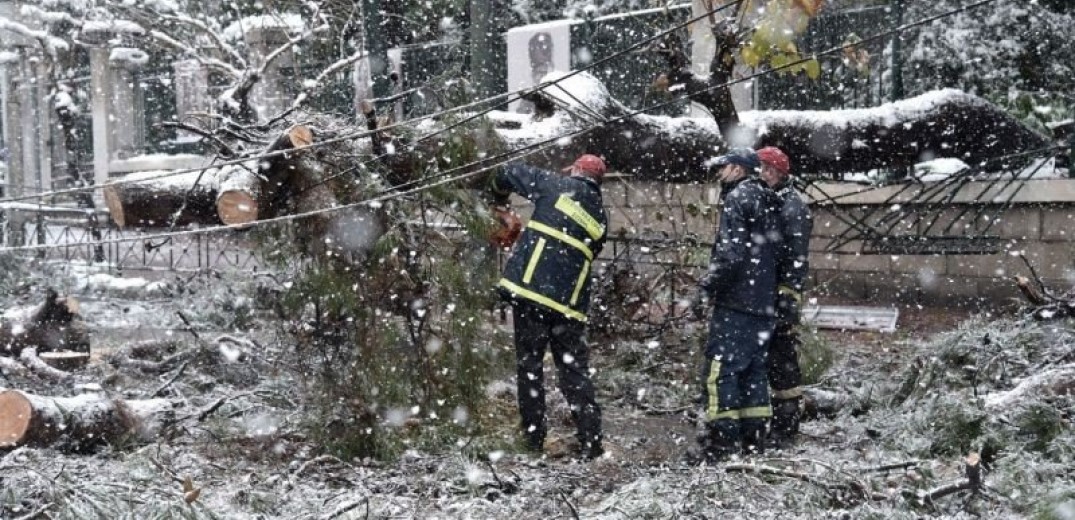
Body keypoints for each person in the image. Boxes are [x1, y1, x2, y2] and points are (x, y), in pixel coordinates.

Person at [491, 154, 609, 460]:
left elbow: (506, 173)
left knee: (529, 369)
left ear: (577, 171)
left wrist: (499, 198)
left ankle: (533, 440)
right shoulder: (600, 217)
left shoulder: (555, 184)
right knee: (574, 372)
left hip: (532, 294)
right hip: (569, 306)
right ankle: (591, 440)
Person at [690, 147, 782, 462]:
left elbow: (731, 255)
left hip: (737, 304)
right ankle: (755, 441)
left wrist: (706, 288)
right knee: (753, 373)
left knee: (721, 373)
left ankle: (721, 445)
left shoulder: (738, 199)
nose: (720, 173)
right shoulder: (771, 201)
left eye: (724, 167)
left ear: (739, 170)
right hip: (763, 305)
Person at [757, 146, 813, 447]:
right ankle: (772, 419)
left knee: (782, 359)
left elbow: (796, 258)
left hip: (782, 295)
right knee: (770, 357)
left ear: (781, 173)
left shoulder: (792, 207)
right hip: (767, 291)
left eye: (769, 169)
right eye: (762, 168)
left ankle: (786, 424)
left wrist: (787, 297)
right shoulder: (771, 201)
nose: (764, 174)